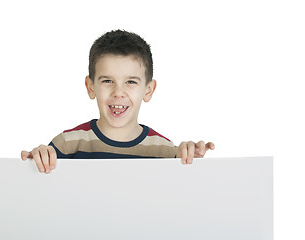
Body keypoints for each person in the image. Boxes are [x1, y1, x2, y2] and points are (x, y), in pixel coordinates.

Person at [21, 29, 215, 174]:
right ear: (90, 87)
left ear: (148, 90)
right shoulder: (67, 144)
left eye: (130, 82)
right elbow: (41, 191)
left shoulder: (164, 150)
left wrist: (192, 163)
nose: (118, 92)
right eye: (107, 81)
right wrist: (37, 160)